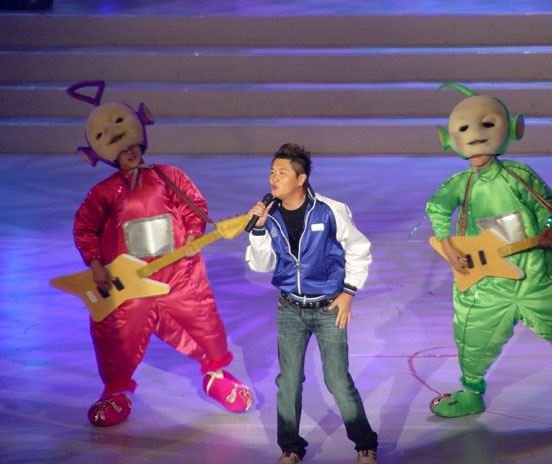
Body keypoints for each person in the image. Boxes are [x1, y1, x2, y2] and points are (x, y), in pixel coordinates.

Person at [424, 83, 552, 419]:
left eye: (487, 125)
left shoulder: (519, 176)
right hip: (487, 282)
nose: (475, 137)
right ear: (448, 138)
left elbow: (547, 207)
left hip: (537, 276)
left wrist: (550, 227)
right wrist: (446, 241)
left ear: (512, 129)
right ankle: (471, 391)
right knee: (473, 334)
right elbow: (438, 206)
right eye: (464, 129)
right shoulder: (461, 184)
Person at [67, 80, 253, 426]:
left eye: (132, 145)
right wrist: (95, 263)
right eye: (121, 150)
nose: (130, 153)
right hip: (129, 283)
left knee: (203, 323)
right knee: (117, 336)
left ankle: (216, 375)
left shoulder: (169, 177)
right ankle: (116, 392)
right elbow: (85, 227)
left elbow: (194, 206)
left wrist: (193, 235)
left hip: (178, 276)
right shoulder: (104, 192)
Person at [245, 143, 378, 464]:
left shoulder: (330, 210)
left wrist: (348, 293)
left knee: (337, 381)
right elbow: (261, 265)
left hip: (329, 307)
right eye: (272, 172)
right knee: (288, 383)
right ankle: (290, 448)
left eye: (282, 173)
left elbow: (359, 249)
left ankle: (365, 444)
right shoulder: (269, 215)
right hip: (289, 309)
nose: (274, 178)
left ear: (301, 178)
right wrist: (259, 229)